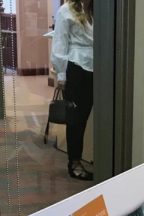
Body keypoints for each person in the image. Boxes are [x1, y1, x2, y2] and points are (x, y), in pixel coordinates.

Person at [52, 0, 94, 181]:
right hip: (76, 68)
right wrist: (61, 74)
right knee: (76, 120)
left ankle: (79, 159)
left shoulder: (96, 9)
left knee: (84, 118)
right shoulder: (65, 10)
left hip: (96, 68)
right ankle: (74, 163)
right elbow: (60, 42)